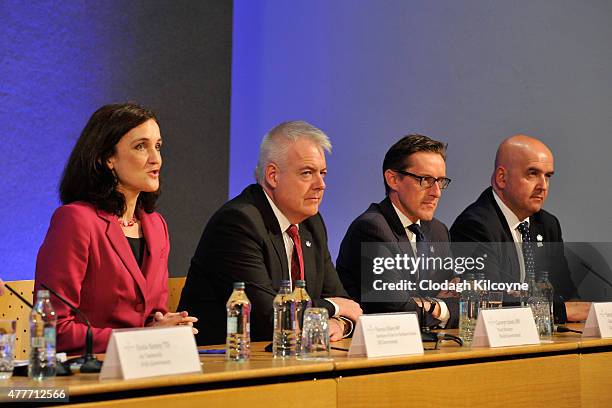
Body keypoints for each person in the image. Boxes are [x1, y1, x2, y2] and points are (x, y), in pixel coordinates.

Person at [179, 120, 362, 345]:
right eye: (307, 173)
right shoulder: (238, 223)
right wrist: (332, 309)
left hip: (287, 358)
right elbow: (269, 317)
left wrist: (340, 323)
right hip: (223, 363)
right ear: (273, 175)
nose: (321, 184)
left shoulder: (311, 224)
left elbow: (346, 303)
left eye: (323, 173)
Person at [35, 103, 196, 354]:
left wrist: (166, 325)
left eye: (158, 146)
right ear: (107, 158)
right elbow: (53, 329)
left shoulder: (156, 225)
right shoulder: (75, 220)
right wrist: (141, 338)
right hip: (87, 375)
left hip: (145, 366)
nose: (156, 158)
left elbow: (152, 316)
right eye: (141, 146)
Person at [450, 134, 588, 322]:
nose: (543, 186)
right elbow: (491, 301)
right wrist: (560, 312)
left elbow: (566, 291)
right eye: (532, 173)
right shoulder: (474, 226)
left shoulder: (547, 225)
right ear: (501, 178)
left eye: (547, 176)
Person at [337, 134, 459, 328]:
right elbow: (397, 312)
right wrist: (443, 308)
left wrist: (431, 305)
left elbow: (461, 300)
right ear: (393, 179)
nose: (436, 192)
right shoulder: (371, 229)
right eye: (425, 180)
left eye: (441, 181)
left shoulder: (438, 231)